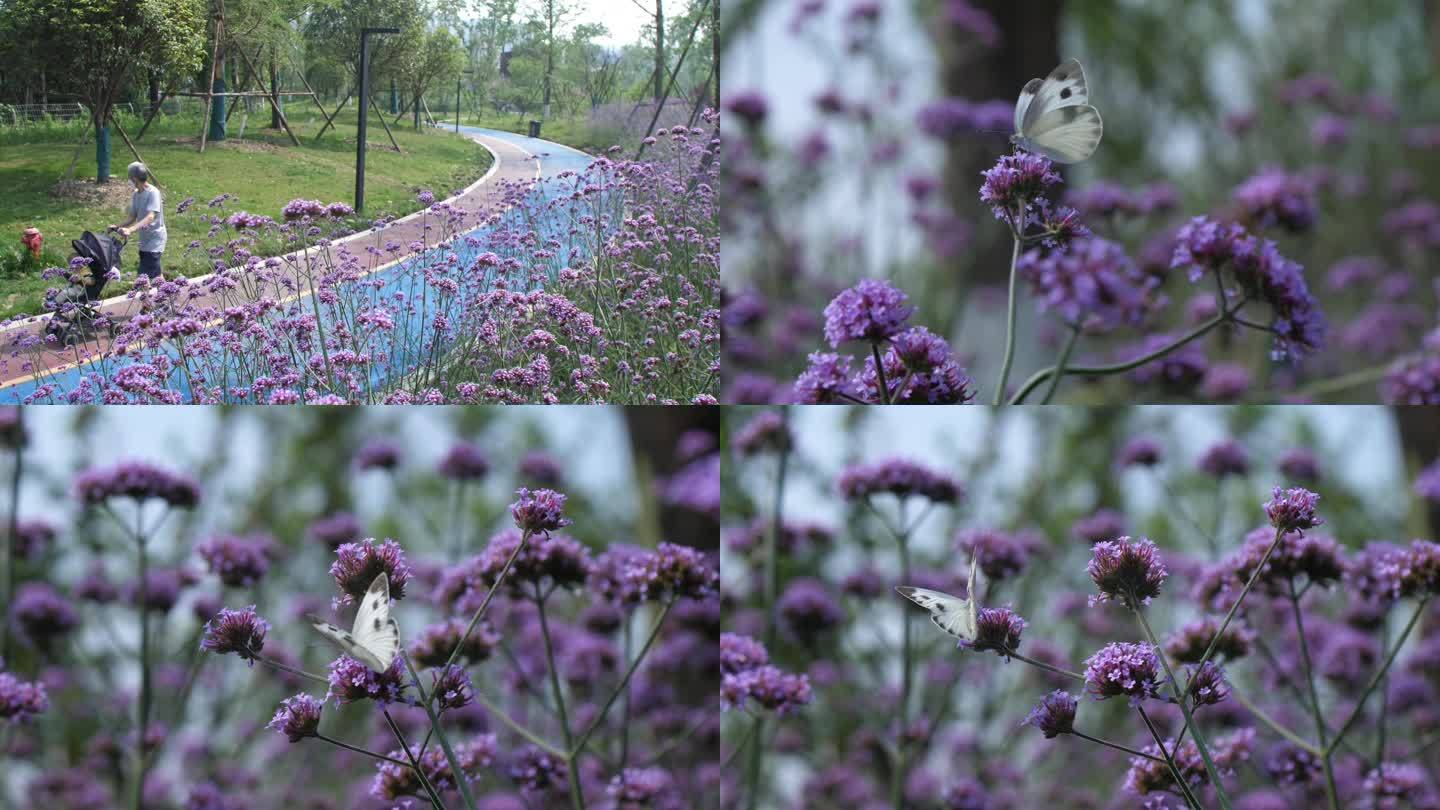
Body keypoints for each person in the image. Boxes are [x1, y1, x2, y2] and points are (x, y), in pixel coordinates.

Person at [112, 162, 167, 280]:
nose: (129, 181)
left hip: (155, 240)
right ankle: (170, 295)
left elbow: (150, 216)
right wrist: (116, 227)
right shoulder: (136, 194)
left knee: (142, 277)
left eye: (129, 178)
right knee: (156, 274)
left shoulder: (153, 193)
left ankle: (145, 297)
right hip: (144, 240)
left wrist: (130, 230)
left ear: (134, 179)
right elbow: (132, 217)